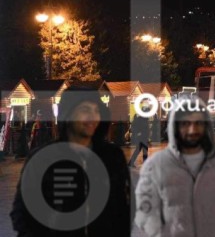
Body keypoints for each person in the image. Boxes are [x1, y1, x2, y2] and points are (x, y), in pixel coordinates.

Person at [11, 87, 132, 236]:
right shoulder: (43, 158)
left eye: (96, 110)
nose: (92, 117)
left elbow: (123, 208)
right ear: (68, 114)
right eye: (85, 110)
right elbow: (22, 212)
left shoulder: (112, 156)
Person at [135, 95, 215, 237]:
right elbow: (145, 209)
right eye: (185, 123)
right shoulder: (155, 165)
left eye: (198, 123)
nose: (192, 130)